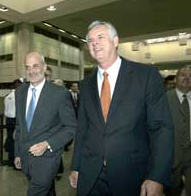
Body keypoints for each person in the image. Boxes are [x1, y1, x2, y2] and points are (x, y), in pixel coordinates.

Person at [69, 20, 174, 196]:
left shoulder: (145, 76)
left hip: (132, 175)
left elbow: (161, 128)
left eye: (100, 37)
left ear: (116, 41)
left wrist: (157, 176)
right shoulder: (86, 85)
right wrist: (76, 166)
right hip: (91, 174)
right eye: (90, 40)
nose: (94, 43)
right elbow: (83, 129)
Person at [14, 51, 76, 196]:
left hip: (47, 159)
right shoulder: (20, 92)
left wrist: (48, 144)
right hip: (26, 157)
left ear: (44, 67)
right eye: (27, 67)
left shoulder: (59, 94)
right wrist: (18, 153)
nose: (31, 71)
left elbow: (71, 127)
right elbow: (19, 126)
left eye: (35, 66)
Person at [166, 65, 191, 196]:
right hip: (172, 154)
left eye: (190, 76)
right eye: (183, 75)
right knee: (173, 190)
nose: (187, 78)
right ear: (175, 79)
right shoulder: (164, 99)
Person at [4, 78, 22, 166]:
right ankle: (15, 161)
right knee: (16, 141)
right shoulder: (18, 96)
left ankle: (10, 160)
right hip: (16, 120)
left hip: (8, 120)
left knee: (10, 139)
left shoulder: (8, 95)